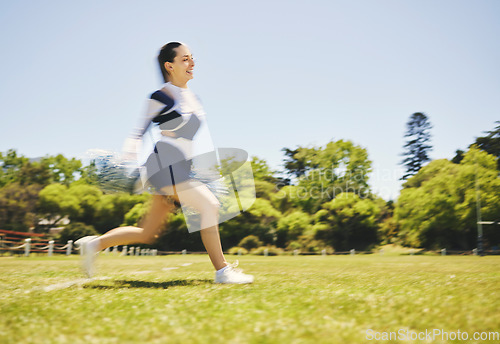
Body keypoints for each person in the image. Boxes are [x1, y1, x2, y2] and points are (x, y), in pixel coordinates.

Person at [76, 42, 253, 284]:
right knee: (209, 206)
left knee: (148, 233)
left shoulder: (193, 98)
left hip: (182, 167)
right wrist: (129, 155)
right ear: (169, 65)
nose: (192, 63)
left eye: (192, 58)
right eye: (185, 59)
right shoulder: (162, 96)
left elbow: (190, 141)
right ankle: (222, 271)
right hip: (163, 165)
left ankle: (93, 244)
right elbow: (138, 132)